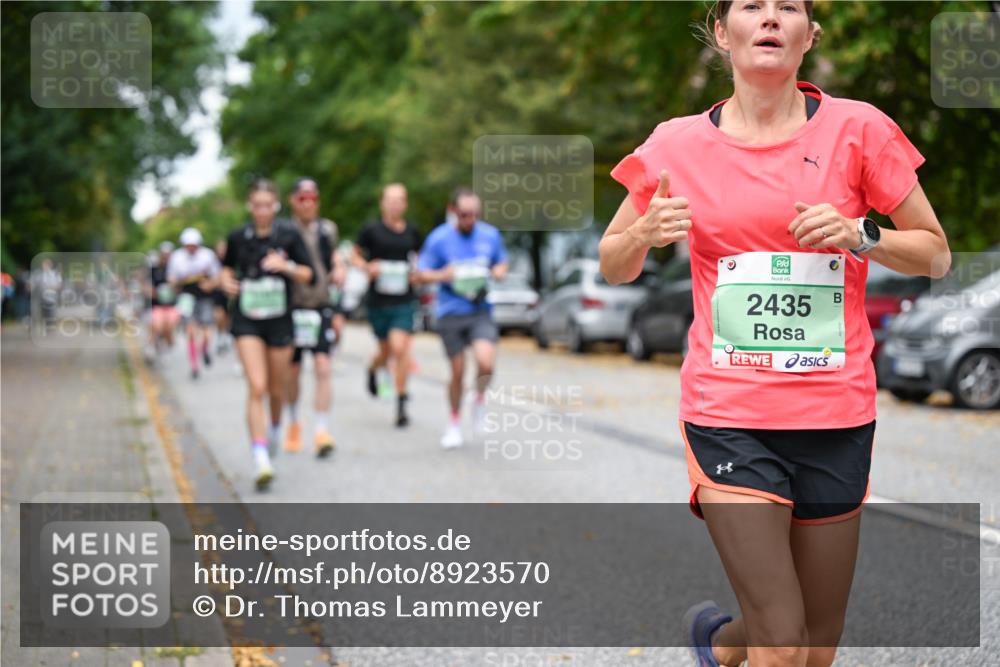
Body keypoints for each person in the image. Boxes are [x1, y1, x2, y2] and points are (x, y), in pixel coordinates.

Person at [598, 2, 951, 666]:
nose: (770, 18)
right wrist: (643, 235)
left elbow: (935, 253)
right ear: (722, 32)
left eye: (788, 6)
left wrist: (861, 234)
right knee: (785, 645)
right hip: (728, 411)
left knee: (813, 647)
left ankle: (718, 642)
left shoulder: (860, 131)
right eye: (751, 6)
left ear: (809, 34)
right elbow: (613, 262)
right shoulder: (675, 145)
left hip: (834, 413)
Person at [219, 179, 313, 490]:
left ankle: (274, 429)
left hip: (280, 320)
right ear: (250, 206)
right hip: (247, 319)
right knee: (256, 386)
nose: (262, 211)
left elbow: (308, 273)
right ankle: (260, 458)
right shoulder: (238, 237)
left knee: (276, 389)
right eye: (256, 205)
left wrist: (285, 266)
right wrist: (226, 281)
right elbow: (225, 268)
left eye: (267, 205)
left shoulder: (288, 235)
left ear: (276, 206)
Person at [417, 188, 508, 449]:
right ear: (454, 211)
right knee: (457, 371)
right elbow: (420, 274)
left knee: (486, 364)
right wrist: (442, 275)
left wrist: (499, 271)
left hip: (479, 310)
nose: (471, 219)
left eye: (475, 214)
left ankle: (479, 399)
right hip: (450, 312)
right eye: (466, 214)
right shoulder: (438, 239)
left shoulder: (489, 235)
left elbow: (501, 262)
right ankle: (454, 423)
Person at [282, 177, 346, 457]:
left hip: (320, 305)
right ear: (292, 201)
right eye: (302, 198)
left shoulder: (327, 230)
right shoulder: (283, 230)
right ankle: (294, 422)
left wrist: (339, 268)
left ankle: (321, 430)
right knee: (292, 371)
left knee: (323, 366)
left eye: (313, 198)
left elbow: (334, 258)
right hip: (292, 307)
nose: (308, 203)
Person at [352, 183, 423, 428]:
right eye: (391, 199)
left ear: (405, 204)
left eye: (400, 200)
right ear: (383, 203)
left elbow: (420, 258)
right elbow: (354, 255)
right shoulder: (371, 230)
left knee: (400, 347)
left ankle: (401, 402)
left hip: (404, 299)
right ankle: (372, 369)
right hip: (379, 300)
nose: (395, 204)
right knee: (385, 351)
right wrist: (366, 267)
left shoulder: (412, 232)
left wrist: (418, 273)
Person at [167, 228, 220, 380]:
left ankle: (204, 350)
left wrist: (209, 284)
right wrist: (177, 282)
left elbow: (217, 276)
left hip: (204, 297)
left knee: (206, 331)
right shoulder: (177, 257)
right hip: (186, 297)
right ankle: (194, 366)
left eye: (193, 245)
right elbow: (171, 278)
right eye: (188, 245)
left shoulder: (207, 255)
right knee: (190, 331)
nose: (191, 248)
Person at [148, 241, 180, 360]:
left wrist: (175, 285)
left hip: (172, 305)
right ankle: (152, 346)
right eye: (164, 254)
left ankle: (168, 345)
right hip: (157, 305)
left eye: (168, 254)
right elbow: (147, 284)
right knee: (156, 326)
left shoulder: (176, 269)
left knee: (168, 328)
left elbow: (180, 286)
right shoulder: (154, 269)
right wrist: (151, 291)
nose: (166, 256)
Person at [212, 238, 233, 356]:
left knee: (228, 316)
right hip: (218, 292)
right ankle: (220, 335)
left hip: (229, 293)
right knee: (219, 316)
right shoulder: (213, 262)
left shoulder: (231, 259)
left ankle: (226, 336)